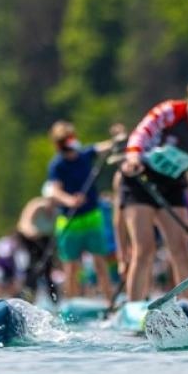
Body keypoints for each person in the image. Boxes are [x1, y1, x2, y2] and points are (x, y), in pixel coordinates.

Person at [117, 68, 188, 303]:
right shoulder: (170, 111)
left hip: (173, 186)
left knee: (181, 249)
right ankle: (135, 307)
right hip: (141, 179)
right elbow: (141, 133)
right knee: (145, 248)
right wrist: (134, 156)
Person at [44, 120, 123, 299]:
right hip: (70, 221)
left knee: (100, 262)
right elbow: (54, 190)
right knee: (71, 267)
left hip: (92, 216)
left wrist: (118, 136)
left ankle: (109, 301)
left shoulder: (85, 154)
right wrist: (70, 200)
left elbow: (109, 146)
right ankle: (72, 304)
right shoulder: (57, 165)